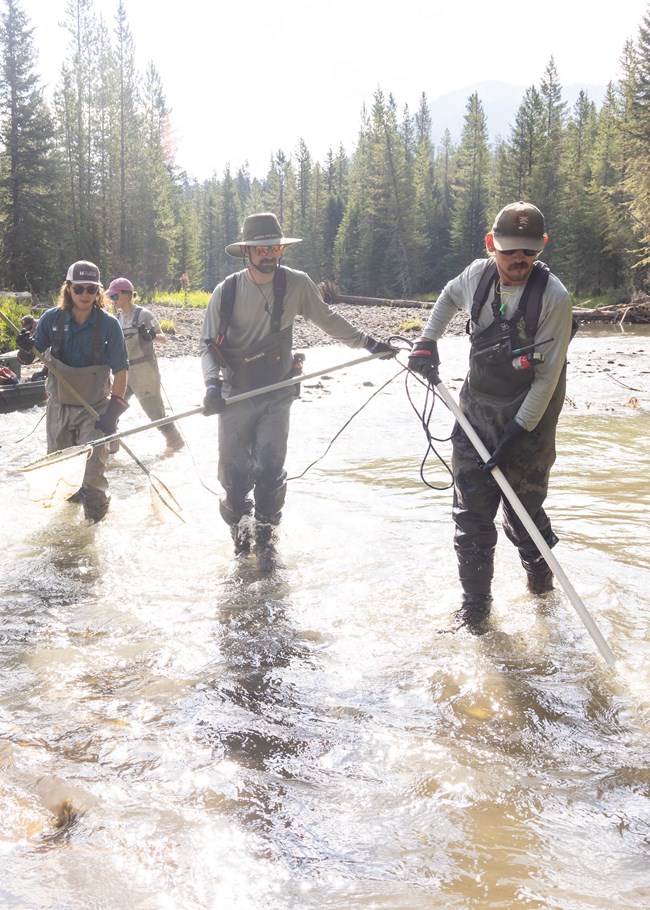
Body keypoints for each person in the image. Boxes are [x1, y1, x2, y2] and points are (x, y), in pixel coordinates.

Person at [408, 201, 575, 633]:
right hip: (476, 409)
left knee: (522, 516)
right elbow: (446, 298)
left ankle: (541, 589)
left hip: (531, 417)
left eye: (529, 251)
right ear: (491, 244)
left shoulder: (555, 298)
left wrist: (518, 432)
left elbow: (546, 380)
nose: (519, 260)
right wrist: (428, 341)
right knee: (471, 513)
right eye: (509, 250)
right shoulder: (474, 277)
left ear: (541, 247)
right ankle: (476, 611)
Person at [201, 211, 396, 560]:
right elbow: (207, 347)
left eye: (274, 247)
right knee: (233, 477)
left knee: (270, 468)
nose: (269, 255)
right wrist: (211, 387)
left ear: (281, 249)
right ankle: (239, 532)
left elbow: (328, 320)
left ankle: (267, 537)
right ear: (246, 251)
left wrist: (369, 343)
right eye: (261, 249)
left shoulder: (297, 283)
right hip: (234, 394)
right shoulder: (225, 292)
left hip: (277, 392)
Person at [16, 261, 129, 522]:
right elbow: (26, 360)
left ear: (98, 291)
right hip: (58, 407)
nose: (85, 295)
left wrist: (114, 412)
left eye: (91, 289)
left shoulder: (109, 325)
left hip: (95, 409)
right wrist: (24, 347)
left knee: (91, 477)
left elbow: (122, 371)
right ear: (68, 289)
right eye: (79, 289)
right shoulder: (50, 319)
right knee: (63, 473)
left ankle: (93, 527)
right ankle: (69, 528)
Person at [106, 277, 184, 453]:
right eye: (111, 296)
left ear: (126, 295)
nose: (112, 300)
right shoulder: (116, 318)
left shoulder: (144, 314)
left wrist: (150, 336)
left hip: (145, 371)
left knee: (155, 413)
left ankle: (175, 444)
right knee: (111, 411)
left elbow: (163, 339)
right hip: (123, 372)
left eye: (114, 296)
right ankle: (111, 447)